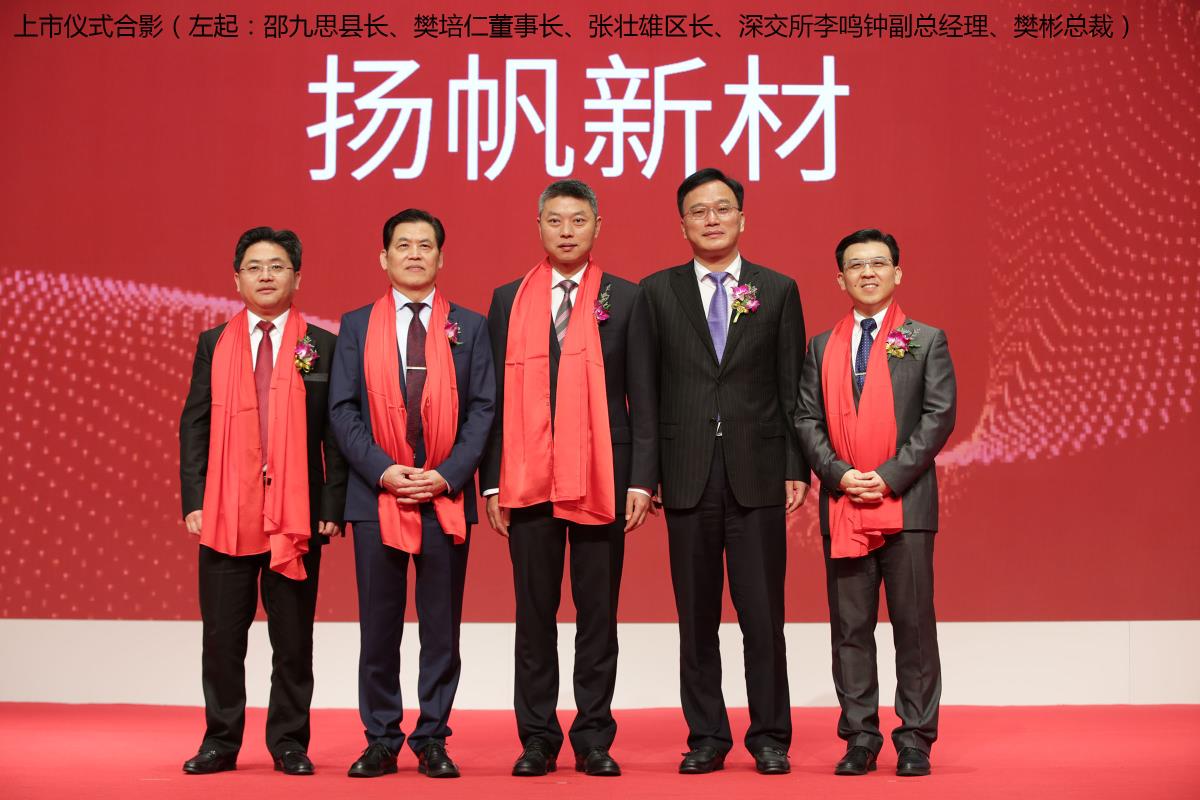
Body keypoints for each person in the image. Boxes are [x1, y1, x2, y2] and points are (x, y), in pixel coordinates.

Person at [481, 179, 656, 778]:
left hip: (603, 476)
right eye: (555, 220)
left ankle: (593, 737)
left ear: (596, 227)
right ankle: (536, 738)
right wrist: (492, 482)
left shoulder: (625, 298)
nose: (566, 231)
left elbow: (644, 396)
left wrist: (641, 480)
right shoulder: (508, 299)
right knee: (534, 616)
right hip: (527, 478)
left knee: (597, 614)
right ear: (539, 227)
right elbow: (493, 399)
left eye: (578, 220)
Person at [638, 168, 808, 775]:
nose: (711, 219)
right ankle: (707, 736)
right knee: (696, 618)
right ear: (682, 224)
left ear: (742, 218)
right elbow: (645, 393)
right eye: (698, 211)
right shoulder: (656, 292)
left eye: (722, 208)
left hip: (757, 473)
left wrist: (795, 464)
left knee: (763, 615)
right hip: (686, 474)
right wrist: (646, 474)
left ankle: (770, 736)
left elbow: (791, 388)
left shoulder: (777, 289)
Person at [328, 209, 495, 779]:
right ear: (384, 258)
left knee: (441, 627)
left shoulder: (470, 326)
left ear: (441, 257)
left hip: (444, 496)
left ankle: (432, 738)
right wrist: (384, 471)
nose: (415, 254)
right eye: (404, 245)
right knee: (379, 627)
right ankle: (380, 738)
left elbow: (483, 410)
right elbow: (343, 410)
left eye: (426, 245)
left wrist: (447, 474)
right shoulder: (355, 326)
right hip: (377, 497)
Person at [178, 226, 347, 776]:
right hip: (226, 509)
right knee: (222, 637)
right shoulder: (214, 344)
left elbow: (334, 432)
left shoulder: (320, 344)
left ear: (297, 277)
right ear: (237, 279)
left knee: (293, 638)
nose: (266, 276)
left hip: (296, 513)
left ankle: (289, 742)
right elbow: (194, 424)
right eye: (254, 267)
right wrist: (195, 497)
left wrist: (331, 504)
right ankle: (220, 741)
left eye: (277, 266)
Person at [794, 228, 956, 778]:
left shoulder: (925, 339)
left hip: (906, 507)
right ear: (840, 278)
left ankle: (915, 739)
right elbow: (806, 419)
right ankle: (860, 738)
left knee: (914, 629)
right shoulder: (822, 346)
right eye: (856, 265)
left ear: (897, 273)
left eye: (878, 263)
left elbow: (938, 418)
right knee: (850, 630)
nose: (868, 272)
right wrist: (840, 474)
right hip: (844, 506)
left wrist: (886, 478)